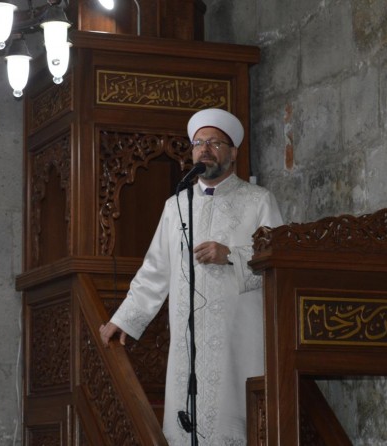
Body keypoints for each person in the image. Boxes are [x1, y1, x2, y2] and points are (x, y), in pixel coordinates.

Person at [99, 108, 283, 445]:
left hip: (238, 341)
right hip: (189, 343)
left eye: (214, 143)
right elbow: (155, 270)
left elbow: (279, 260)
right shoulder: (176, 205)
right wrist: (124, 318)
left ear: (233, 153)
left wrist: (231, 255)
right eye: (198, 143)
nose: (204, 149)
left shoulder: (258, 201)